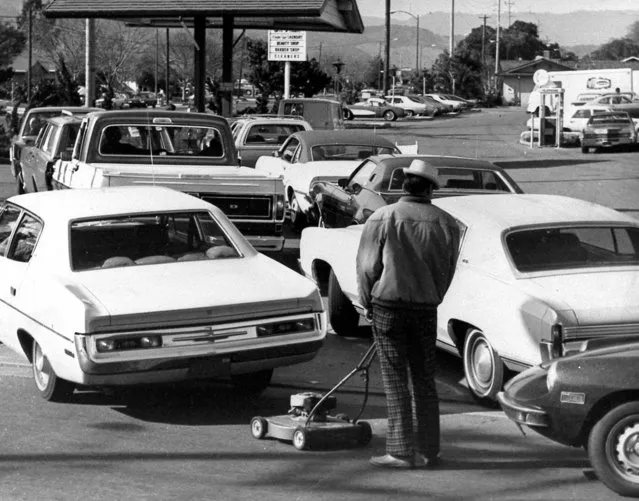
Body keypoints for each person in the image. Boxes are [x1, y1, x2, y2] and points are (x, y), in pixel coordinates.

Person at [356, 158, 460, 470]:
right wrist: (434, 297)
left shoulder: (383, 216)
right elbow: (447, 270)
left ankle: (400, 452)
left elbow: (366, 268)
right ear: (431, 190)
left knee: (395, 378)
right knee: (424, 380)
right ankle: (429, 451)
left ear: (404, 185)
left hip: (388, 305)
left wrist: (367, 304)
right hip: (425, 308)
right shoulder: (447, 223)